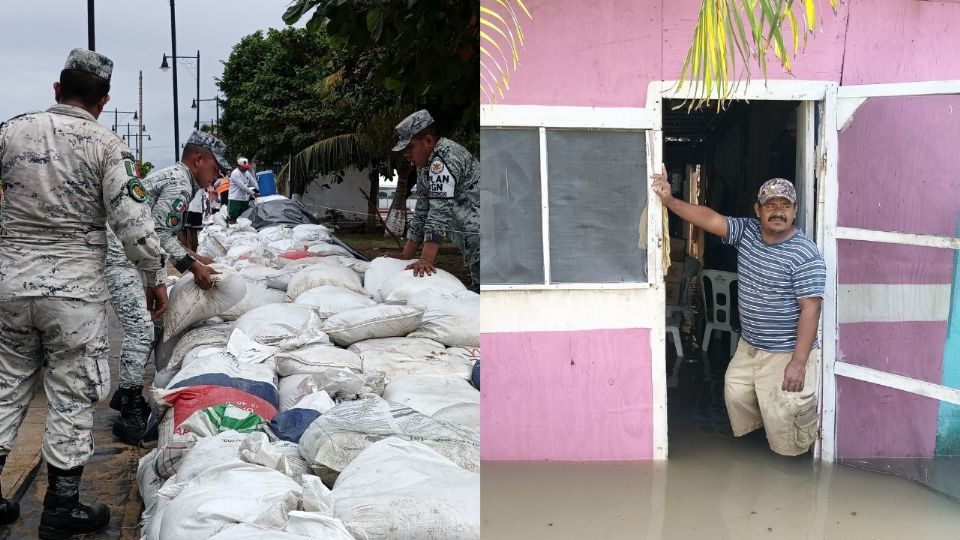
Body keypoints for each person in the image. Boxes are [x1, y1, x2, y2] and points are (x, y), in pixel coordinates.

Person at [0, 48, 168, 538]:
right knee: (72, 396)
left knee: (6, 387)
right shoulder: (107, 145)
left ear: (57, 90)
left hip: (11, 286)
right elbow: (134, 226)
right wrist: (153, 277)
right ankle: (61, 508)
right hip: (73, 297)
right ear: (104, 99)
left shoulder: (11, 132)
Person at [651, 172, 825, 457]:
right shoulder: (747, 232)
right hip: (751, 345)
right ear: (758, 210)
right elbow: (709, 218)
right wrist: (669, 200)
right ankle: (757, 458)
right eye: (770, 205)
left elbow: (811, 309)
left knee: (786, 420)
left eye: (785, 206)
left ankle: (787, 473)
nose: (778, 211)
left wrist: (798, 362)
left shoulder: (805, 254)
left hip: (785, 352)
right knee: (736, 391)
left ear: (794, 211)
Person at [105, 130, 228, 446]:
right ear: (198, 160)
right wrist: (194, 267)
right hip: (121, 254)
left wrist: (195, 258)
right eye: (215, 169)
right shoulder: (179, 183)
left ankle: (125, 392)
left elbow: (158, 236)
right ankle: (130, 409)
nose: (216, 178)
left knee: (156, 320)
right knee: (141, 329)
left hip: (136, 253)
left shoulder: (180, 179)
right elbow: (159, 234)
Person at [386, 110, 479, 292]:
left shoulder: (444, 159)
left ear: (428, 141)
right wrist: (407, 255)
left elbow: (439, 211)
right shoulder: (425, 166)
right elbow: (422, 210)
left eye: (410, 147)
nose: (406, 154)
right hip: (472, 240)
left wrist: (426, 260)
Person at [228, 156, 259, 221]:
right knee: (233, 219)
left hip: (244, 200)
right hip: (235, 200)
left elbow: (254, 182)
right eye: (244, 168)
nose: (246, 169)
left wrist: (260, 190)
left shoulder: (247, 173)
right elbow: (242, 187)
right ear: (239, 166)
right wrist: (254, 193)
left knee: (243, 219)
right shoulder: (235, 173)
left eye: (247, 168)